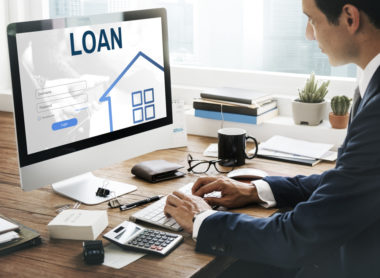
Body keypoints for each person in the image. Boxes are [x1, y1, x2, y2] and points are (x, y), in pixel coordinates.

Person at [164, 0, 380, 277]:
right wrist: (258, 190)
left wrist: (202, 219)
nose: (308, 34)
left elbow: (297, 239)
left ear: (350, 18)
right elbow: (350, 181)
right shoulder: (370, 81)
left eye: (312, 19)